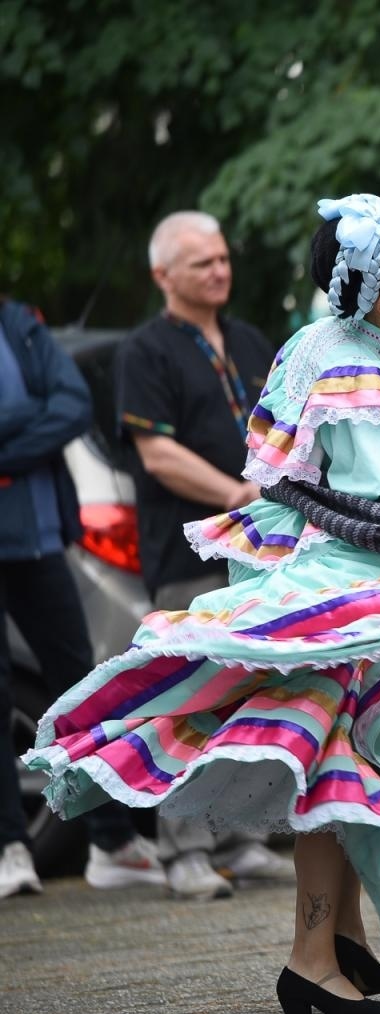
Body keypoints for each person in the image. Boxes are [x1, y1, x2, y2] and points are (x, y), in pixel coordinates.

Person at [26, 193, 380, 1014]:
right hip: (351, 592)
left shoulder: (329, 343)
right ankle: (310, 956)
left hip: (333, 580)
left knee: (343, 761)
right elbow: (366, 485)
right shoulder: (362, 366)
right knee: (335, 769)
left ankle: (341, 942)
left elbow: (319, 459)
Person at [116, 210, 291, 898]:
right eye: (201, 263)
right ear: (163, 275)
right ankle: (183, 850)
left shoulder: (250, 340)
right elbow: (157, 454)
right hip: (186, 549)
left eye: (223, 259)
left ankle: (244, 837)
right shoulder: (145, 351)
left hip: (259, 552)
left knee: (253, 685)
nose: (219, 270)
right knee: (185, 694)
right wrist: (236, 493)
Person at [0, 298, 163, 898]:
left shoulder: (18, 326)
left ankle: (112, 839)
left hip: (42, 540)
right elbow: (43, 411)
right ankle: (10, 847)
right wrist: (24, 430)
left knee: (81, 687)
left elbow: (69, 406)